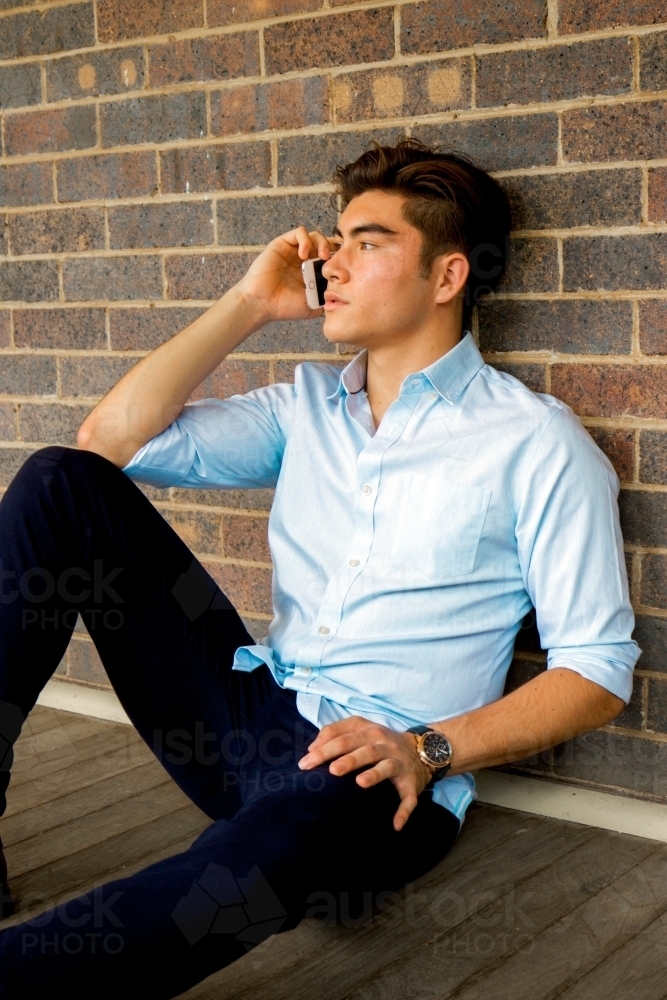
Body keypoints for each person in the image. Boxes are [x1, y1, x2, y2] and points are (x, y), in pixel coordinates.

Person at [0, 140, 638, 996]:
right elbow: (111, 442)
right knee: (61, 483)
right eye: (334, 239)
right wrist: (246, 306)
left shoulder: (536, 444)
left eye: (367, 243)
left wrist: (428, 749)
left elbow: (596, 671)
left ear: (447, 277)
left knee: (245, 869)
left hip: (374, 771)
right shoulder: (303, 407)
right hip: (241, 709)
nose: (331, 261)